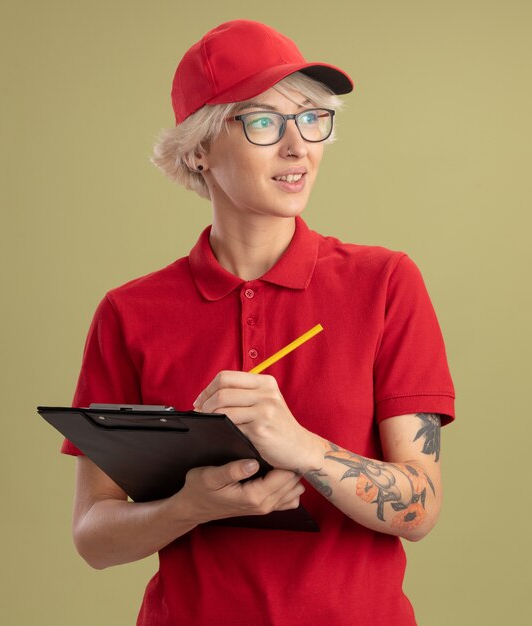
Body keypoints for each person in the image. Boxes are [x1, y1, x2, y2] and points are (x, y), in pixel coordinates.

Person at [62, 19, 455, 626]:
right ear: (199, 148)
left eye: (311, 118)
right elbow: (93, 536)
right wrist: (189, 506)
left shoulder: (385, 284)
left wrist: (301, 447)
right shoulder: (129, 313)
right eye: (264, 121)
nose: (298, 147)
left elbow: (421, 507)